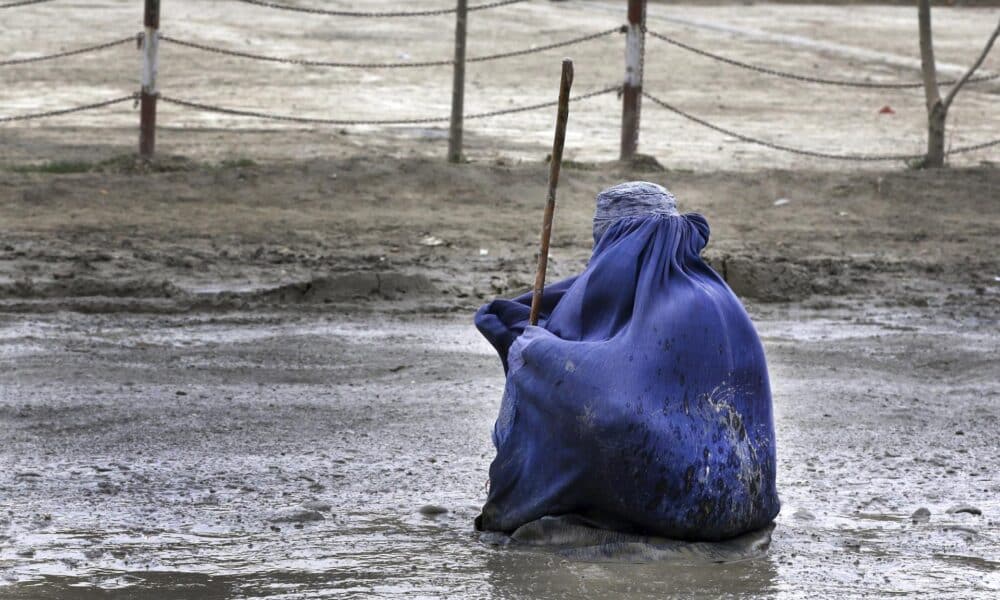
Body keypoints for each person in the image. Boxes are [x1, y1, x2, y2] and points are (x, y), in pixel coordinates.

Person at [474, 181, 780, 542]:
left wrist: (535, 352)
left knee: (532, 360)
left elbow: (617, 406)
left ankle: (513, 502)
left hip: (678, 505)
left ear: (619, 242)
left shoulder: (676, 304)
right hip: (744, 501)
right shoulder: (711, 291)